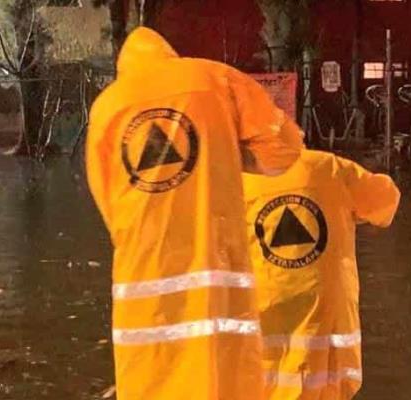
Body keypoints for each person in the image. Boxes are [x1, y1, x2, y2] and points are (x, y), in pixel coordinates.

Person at [85, 27, 305, 400]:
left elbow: (108, 202)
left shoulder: (107, 106)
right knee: (226, 374)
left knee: (150, 378)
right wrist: (228, 155)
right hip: (217, 270)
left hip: (143, 280)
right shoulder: (215, 78)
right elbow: (282, 151)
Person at [243, 150, 400, 399]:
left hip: (259, 344)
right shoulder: (330, 168)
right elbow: (385, 202)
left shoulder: (234, 179)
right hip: (327, 364)